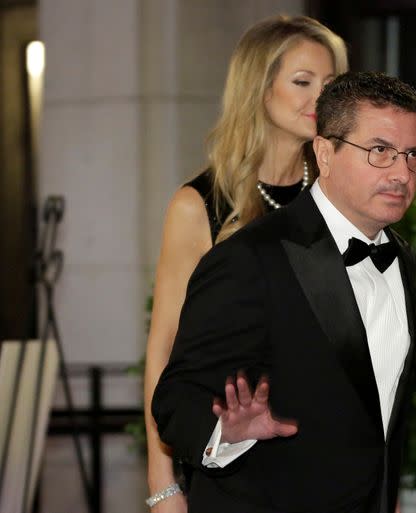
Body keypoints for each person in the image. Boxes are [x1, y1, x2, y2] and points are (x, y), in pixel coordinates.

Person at [151, 71, 416, 513]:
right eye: (380, 151)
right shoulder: (250, 258)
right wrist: (226, 431)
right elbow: (175, 400)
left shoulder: (401, 258)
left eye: (413, 155)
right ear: (325, 151)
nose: (402, 173)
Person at [142, 15, 347, 512]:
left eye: (331, 85)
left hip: (326, 464)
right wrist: (162, 485)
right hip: (235, 470)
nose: (320, 98)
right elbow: (163, 351)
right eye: (302, 82)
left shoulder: (337, 197)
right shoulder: (199, 206)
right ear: (260, 88)